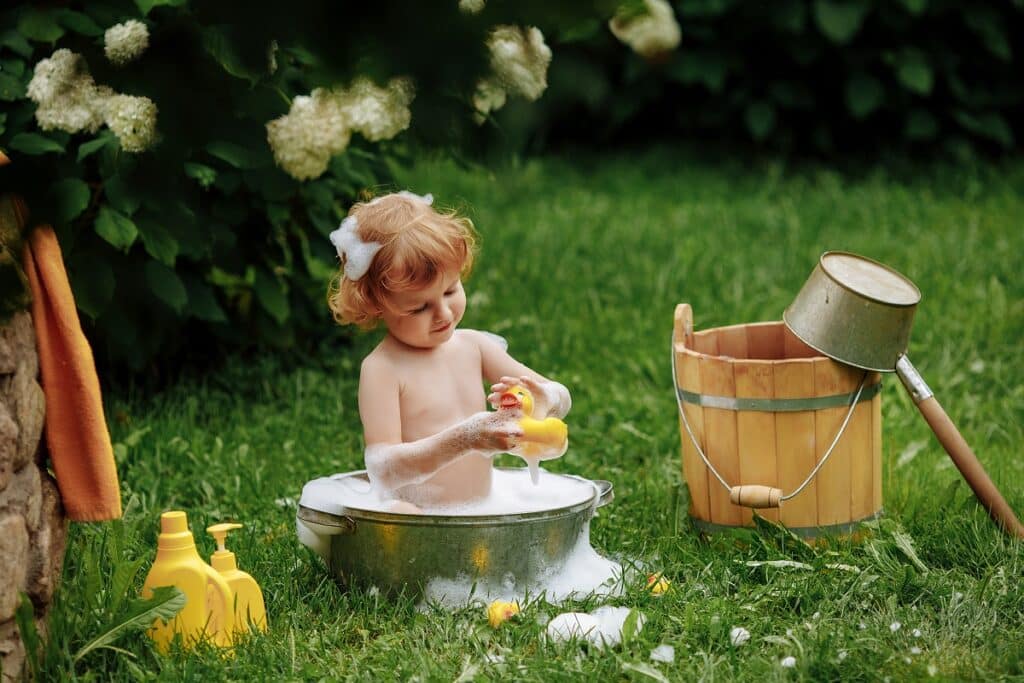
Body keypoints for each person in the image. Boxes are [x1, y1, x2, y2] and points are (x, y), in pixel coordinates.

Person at [327, 191, 571, 510]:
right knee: (399, 516)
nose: (443, 313)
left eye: (451, 290)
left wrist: (543, 399)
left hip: (481, 510)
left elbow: (560, 397)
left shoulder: (474, 347)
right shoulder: (382, 369)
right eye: (418, 307)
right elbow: (384, 467)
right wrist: (466, 438)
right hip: (417, 514)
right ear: (375, 306)